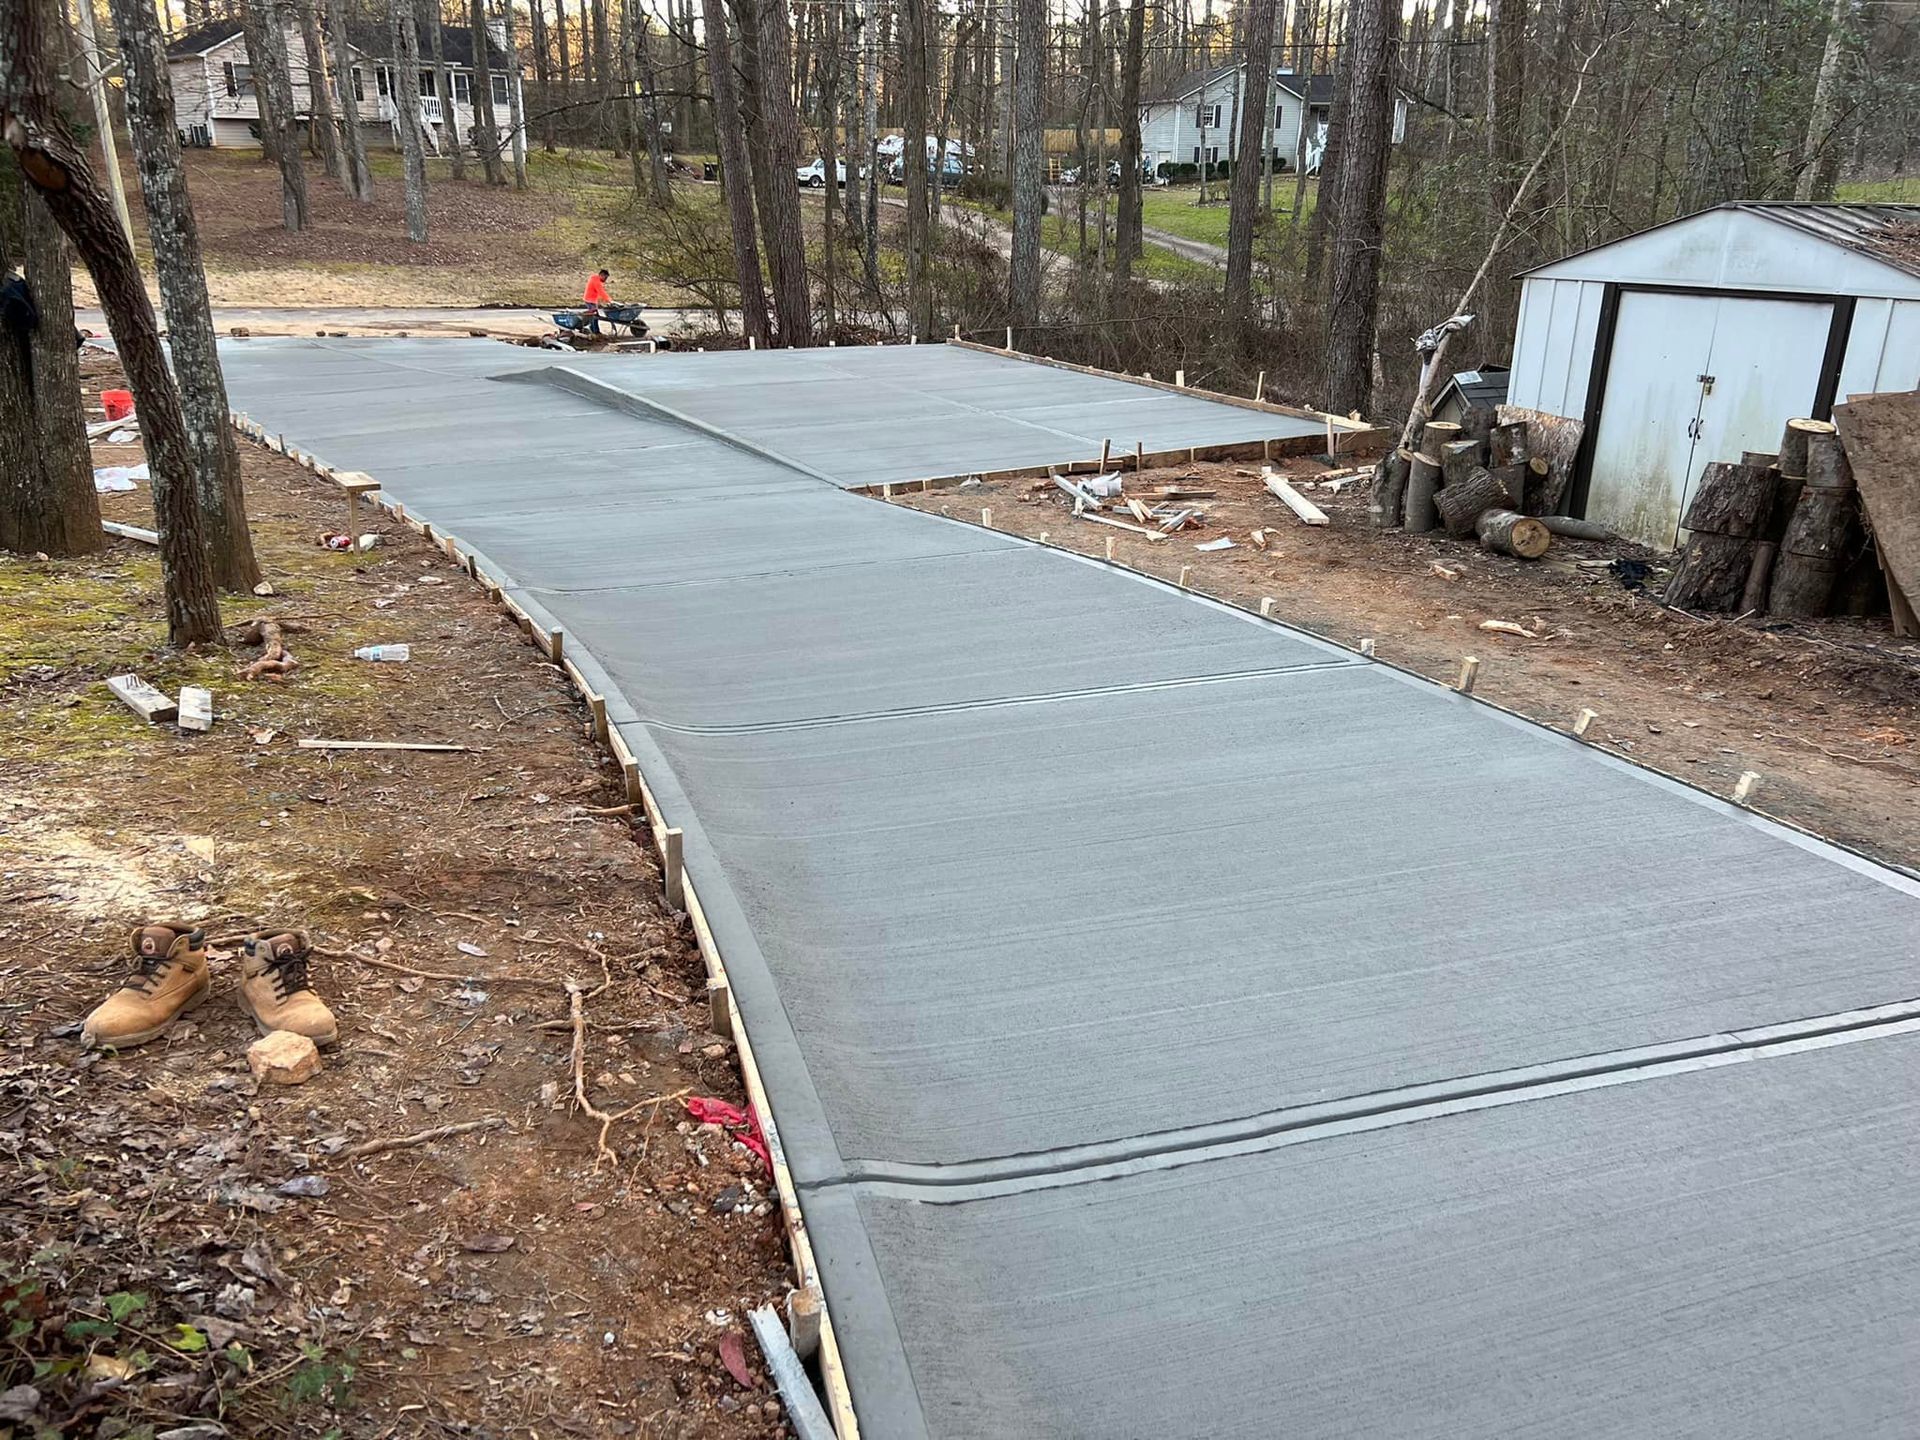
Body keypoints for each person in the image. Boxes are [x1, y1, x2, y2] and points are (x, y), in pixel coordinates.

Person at [582, 267, 611, 336]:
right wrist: (609, 300)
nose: (605, 280)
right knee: (594, 316)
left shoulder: (595, 278)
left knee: (594, 316)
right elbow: (601, 292)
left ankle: (594, 330)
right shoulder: (596, 281)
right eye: (605, 278)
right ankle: (595, 332)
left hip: (591, 300)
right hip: (590, 300)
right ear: (602, 275)